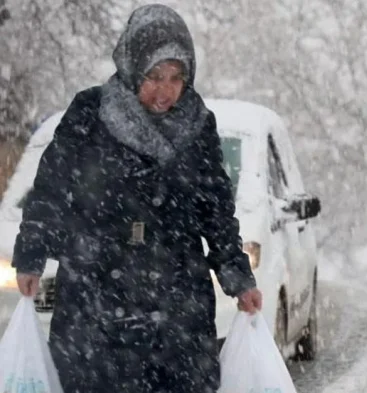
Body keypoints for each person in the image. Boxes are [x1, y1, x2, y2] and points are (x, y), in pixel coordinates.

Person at [11, 4, 262, 392]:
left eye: (177, 78)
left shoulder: (198, 123)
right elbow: (51, 190)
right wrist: (31, 255)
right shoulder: (90, 113)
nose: (166, 91)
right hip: (96, 294)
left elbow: (216, 209)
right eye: (154, 76)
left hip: (177, 303)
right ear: (132, 66)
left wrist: (237, 276)